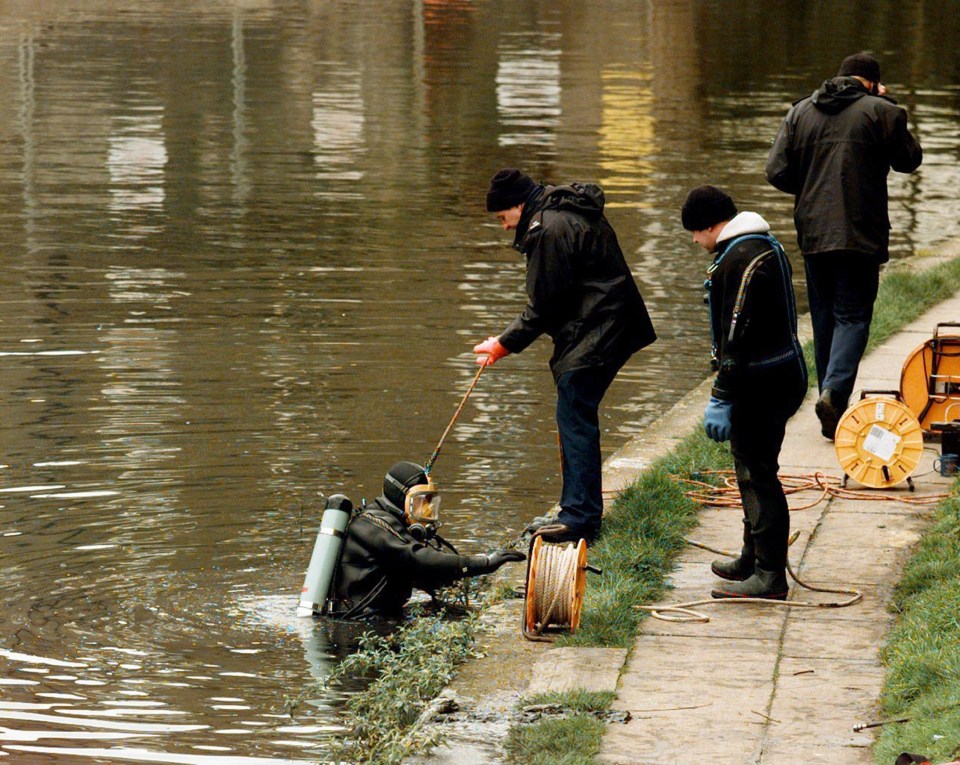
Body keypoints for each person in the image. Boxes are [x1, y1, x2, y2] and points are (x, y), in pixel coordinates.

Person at [474, 169, 656, 545]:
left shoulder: (548, 229)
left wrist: (502, 344)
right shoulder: (563, 213)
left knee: (574, 409)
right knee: (574, 408)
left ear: (518, 205)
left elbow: (544, 305)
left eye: (502, 218)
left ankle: (580, 517)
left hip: (600, 326)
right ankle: (575, 507)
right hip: (608, 321)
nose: (505, 227)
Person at [765, 52, 923, 439]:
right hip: (859, 232)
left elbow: (776, 170)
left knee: (823, 318)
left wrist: (810, 190)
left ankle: (830, 408)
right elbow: (909, 159)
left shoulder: (800, 111)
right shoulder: (880, 111)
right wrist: (887, 103)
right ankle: (834, 393)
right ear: (871, 82)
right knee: (852, 315)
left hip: (814, 232)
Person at [681, 186, 807, 600]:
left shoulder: (740, 258)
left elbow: (737, 337)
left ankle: (770, 576)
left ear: (710, 226)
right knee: (751, 468)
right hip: (779, 375)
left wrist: (721, 394)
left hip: (763, 383)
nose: (694, 242)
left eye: (695, 233)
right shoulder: (759, 245)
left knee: (757, 475)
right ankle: (752, 556)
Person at [329, 461, 525, 619]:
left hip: (381, 616)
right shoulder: (372, 527)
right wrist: (484, 563)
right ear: (401, 498)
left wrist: (483, 586)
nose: (429, 510)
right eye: (422, 502)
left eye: (431, 502)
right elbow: (419, 559)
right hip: (358, 626)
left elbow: (428, 575)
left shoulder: (391, 524)